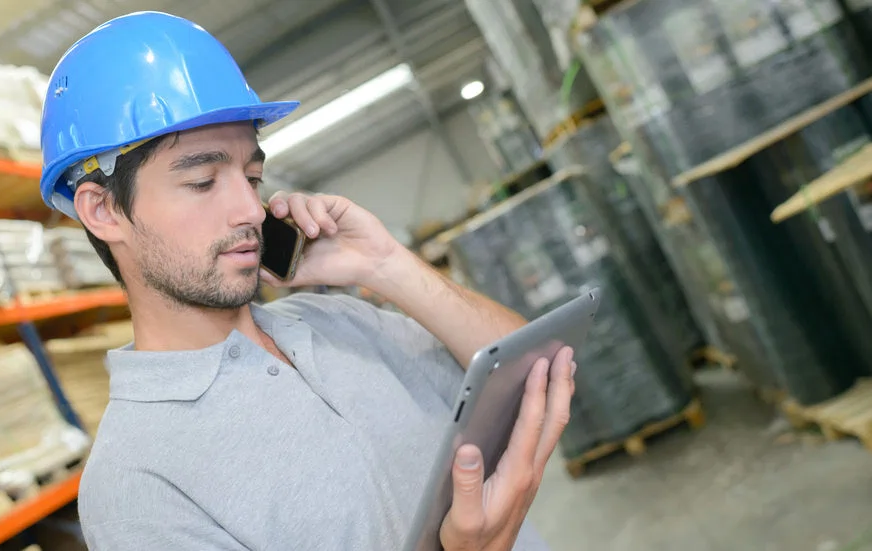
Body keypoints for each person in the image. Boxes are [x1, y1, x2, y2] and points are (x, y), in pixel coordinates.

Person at [38, 11, 576, 551]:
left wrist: (386, 264)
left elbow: (539, 371)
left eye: (252, 177)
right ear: (104, 210)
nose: (250, 208)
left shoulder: (337, 322)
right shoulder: (136, 483)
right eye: (203, 181)